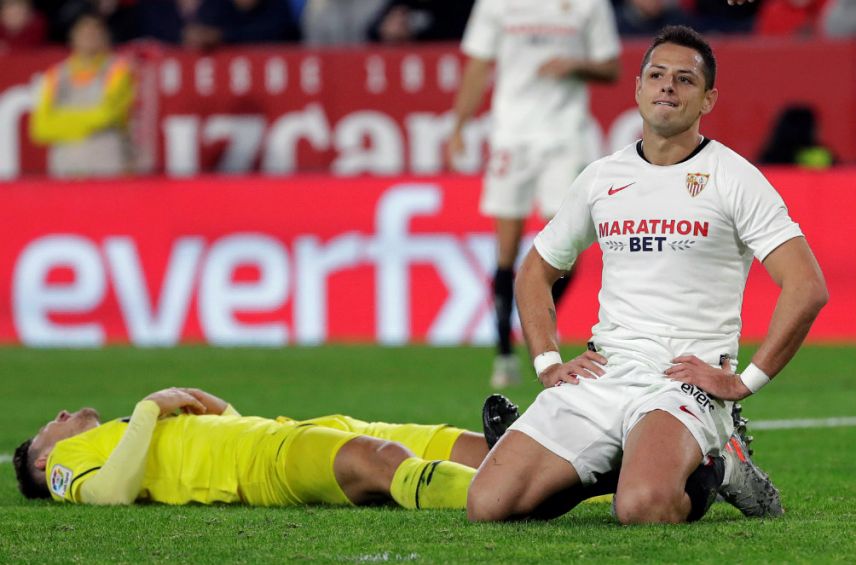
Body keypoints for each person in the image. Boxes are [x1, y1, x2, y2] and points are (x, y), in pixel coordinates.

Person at [467, 25, 828, 524]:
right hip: (607, 370)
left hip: (684, 380)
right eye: (656, 75)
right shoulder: (601, 178)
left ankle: (719, 466)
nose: (667, 87)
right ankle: (625, 462)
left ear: (708, 100)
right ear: (637, 89)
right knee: (488, 505)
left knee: (643, 508)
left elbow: (807, 288)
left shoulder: (734, 177)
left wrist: (743, 382)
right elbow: (533, 271)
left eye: (684, 80)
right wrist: (548, 363)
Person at [447, 0, 621, 388]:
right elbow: (478, 65)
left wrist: (577, 65)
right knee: (506, 252)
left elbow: (611, 67)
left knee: (567, 250)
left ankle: (533, 326)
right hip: (511, 135)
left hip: (565, 137)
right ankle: (504, 353)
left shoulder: (589, 5)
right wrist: (458, 124)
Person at [14, 387, 482, 509]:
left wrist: (222, 411)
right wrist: (149, 408)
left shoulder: (121, 437)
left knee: (438, 440)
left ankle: (534, 462)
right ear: (43, 459)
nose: (58, 417)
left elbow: (210, 444)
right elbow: (110, 494)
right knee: (381, 458)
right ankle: (497, 495)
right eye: (46, 428)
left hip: (277, 433)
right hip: (261, 461)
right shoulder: (66, 464)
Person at [28, 12, 135, 177]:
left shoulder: (119, 70)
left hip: (108, 164)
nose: (89, 36)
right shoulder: (54, 75)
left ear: (104, 36)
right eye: (84, 31)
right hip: (66, 167)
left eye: (94, 31)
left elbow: (108, 115)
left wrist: (61, 120)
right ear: (72, 36)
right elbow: (40, 127)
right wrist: (90, 122)